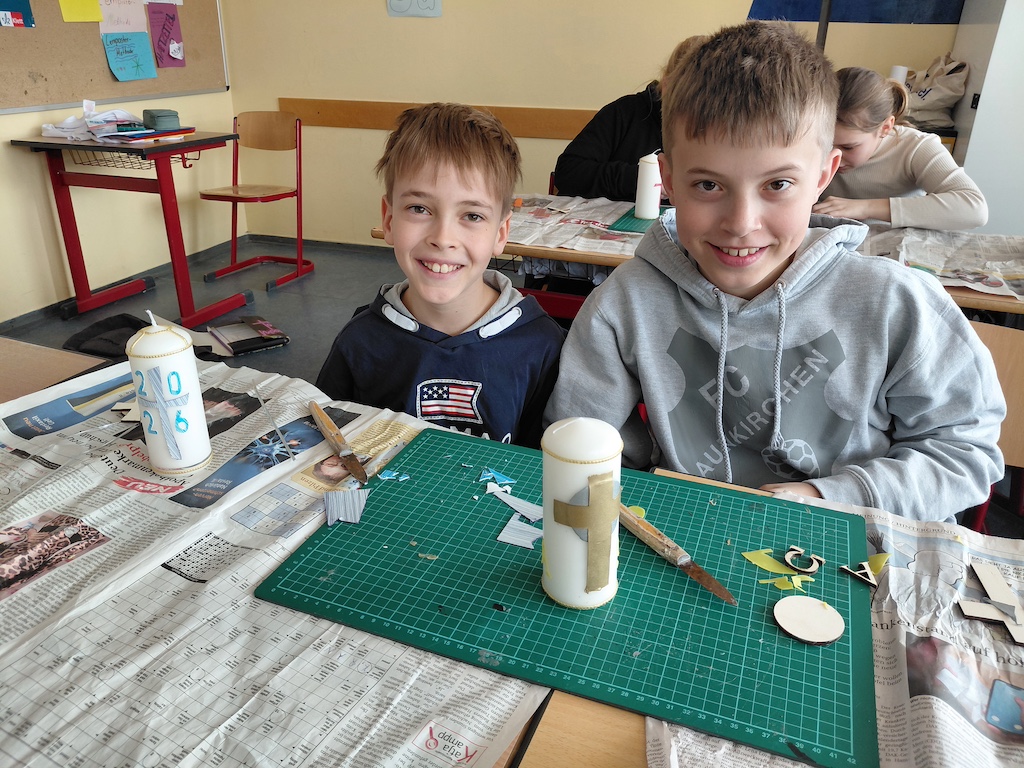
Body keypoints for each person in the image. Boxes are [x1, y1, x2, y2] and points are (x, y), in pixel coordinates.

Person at [544, 22, 1004, 523]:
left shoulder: (897, 304)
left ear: (824, 176)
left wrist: (830, 498)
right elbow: (580, 442)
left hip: (854, 544)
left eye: (778, 184)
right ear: (668, 182)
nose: (741, 224)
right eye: (708, 185)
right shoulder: (624, 304)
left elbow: (963, 452)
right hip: (689, 536)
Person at [316, 103, 564, 448]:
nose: (443, 238)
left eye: (472, 216)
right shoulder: (359, 341)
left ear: (500, 233)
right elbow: (327, 447)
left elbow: (546, 462)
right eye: (419, 208)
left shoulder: (542, 346)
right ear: (389, 220)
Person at [813, 66, 987, 230]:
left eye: (848, 147)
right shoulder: (807, 137)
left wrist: (865, 208)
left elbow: (974, 209)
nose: (831, 157)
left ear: (885, 128)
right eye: (825, 144)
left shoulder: (916, 147)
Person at [553, 36, 708, 202]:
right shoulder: (624, 113)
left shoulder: (715, 129)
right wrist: (639, 177)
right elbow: (567, 172)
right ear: (666, 86)